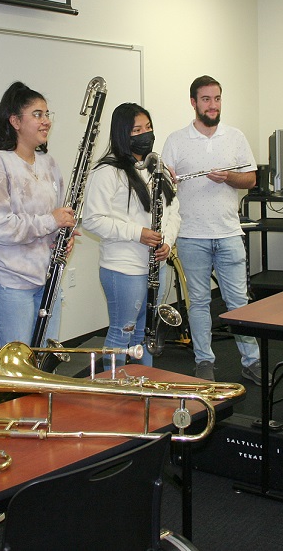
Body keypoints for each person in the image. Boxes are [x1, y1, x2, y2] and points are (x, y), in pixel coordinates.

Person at [161, 75, 261, 383]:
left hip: (230, 233)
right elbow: (162, 186)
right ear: (193, 103)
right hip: (191, 236)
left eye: (217, 98)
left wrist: (230, 177)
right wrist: (168, 179)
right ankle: (204, 360)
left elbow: (251, 179)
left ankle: (252, 360)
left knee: (238, 303)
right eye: (206, 99)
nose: (213, 105)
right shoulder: (176, 141)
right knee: (200, 303)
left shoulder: (235, 137)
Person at [0, 81, 75, 348]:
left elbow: (58, 214)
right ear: (15, 121)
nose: (46, 122)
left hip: (47, 278)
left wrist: (66, 233)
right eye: (37, 114)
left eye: (47, 114)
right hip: (9, 282)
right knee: (15, 372)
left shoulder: (49, 163)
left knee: (44, 363)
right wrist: (51, 221)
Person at [83, 102, 181, 367]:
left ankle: (142, 390)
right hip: (123, 268)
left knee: (144, 334)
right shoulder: (107, 171)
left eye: (148, 127)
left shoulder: (155, 167)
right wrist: (137, 233)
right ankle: (113, 395)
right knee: (122, 333)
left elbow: (174, 211)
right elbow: (92, 219)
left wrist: (167, 242)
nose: (145, 134)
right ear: (122, 134)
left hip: (154, 265)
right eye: (137, 130)